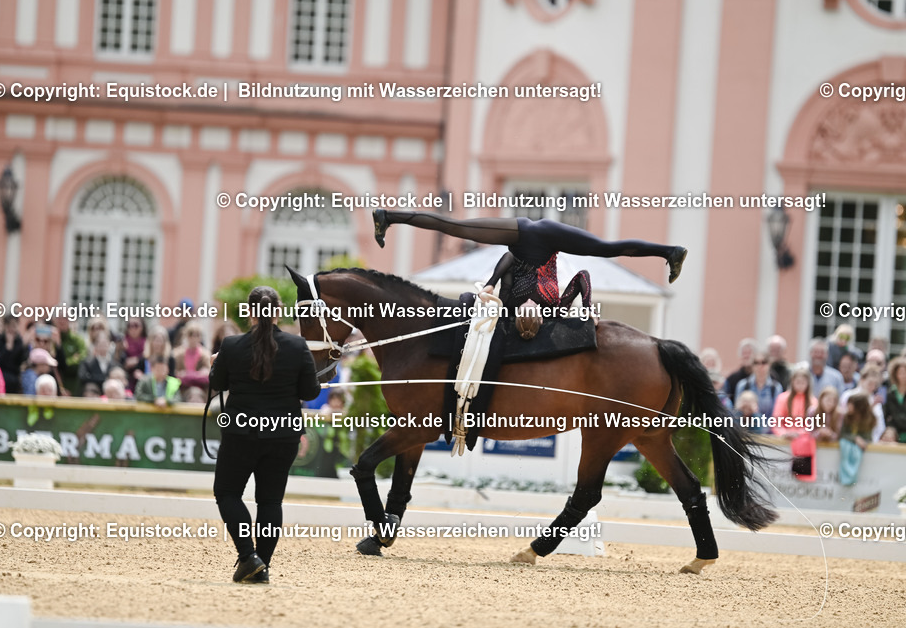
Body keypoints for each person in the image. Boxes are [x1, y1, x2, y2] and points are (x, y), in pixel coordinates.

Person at [210, 285, 321, 584]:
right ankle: (262, 564)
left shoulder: (231, 346)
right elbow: (310, 391)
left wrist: (216, 363)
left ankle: (249, 557)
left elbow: (218, 383)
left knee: (228, 493)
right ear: (279, 312)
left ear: (249, 313)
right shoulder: (298, 347)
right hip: (283, 434)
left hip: (241, 432)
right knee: (270, 502)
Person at [372, 210, 688, 309]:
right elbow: (509, 260)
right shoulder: (542, 306)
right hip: (534, 241)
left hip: (529, 238)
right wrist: (587, 313)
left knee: (457, 227)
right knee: (605, 248)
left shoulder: (514, 306)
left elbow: (508, 259)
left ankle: (669, 252)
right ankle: (388, 216)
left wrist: (490, 286)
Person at [734, 349, 782, 422]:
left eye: (764, 362)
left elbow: (776, 415)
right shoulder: (743, 385)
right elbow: (737, 412)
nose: (760, 366)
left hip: (768, 431)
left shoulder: (776, 388)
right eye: (756, 363)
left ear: (769, 364)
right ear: (752, 365)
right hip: (746, 429)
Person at [771, 367, 816, 438]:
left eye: (803, 382)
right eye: (798, 382)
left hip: (804, 440)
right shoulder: (782, 398)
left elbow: (813, 425)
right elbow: (776, 422)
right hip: (784, 440)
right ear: (792, 382)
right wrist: (784, 433)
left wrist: (799, 434)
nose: (800, 385)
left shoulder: (813, 401)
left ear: (808, 383)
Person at [0, 315, 27, 394]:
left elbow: (21, 361)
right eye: (9, 326)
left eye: (14, 326)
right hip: (1, 376)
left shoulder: (20, 343)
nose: (12, 329)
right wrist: (8, 348)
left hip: (15, 379)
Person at [724, 338, 758, 404]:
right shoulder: (732, 379)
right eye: (744, 353)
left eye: (749, 353)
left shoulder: (765, 377)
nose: (746, 356)